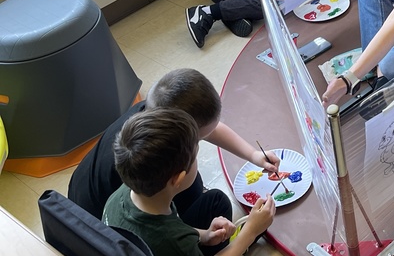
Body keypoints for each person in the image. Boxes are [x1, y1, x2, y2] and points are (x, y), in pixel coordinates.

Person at [103, 108, 275, 256]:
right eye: (196, 156)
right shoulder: (172, 241)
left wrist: (204, 235)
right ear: (178, 179)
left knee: (216, 201)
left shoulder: (126, 194)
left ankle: (230, 255)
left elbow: (171, 226)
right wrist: (249, 233)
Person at [68, 67, 280, 219]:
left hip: (79, 192)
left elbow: (208, 128)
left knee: (192, 181)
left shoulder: (153, 113)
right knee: (200, 192)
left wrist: (253, 155)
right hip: (100, 222)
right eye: (198, 140)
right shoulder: (151, 165)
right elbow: (160, 232)